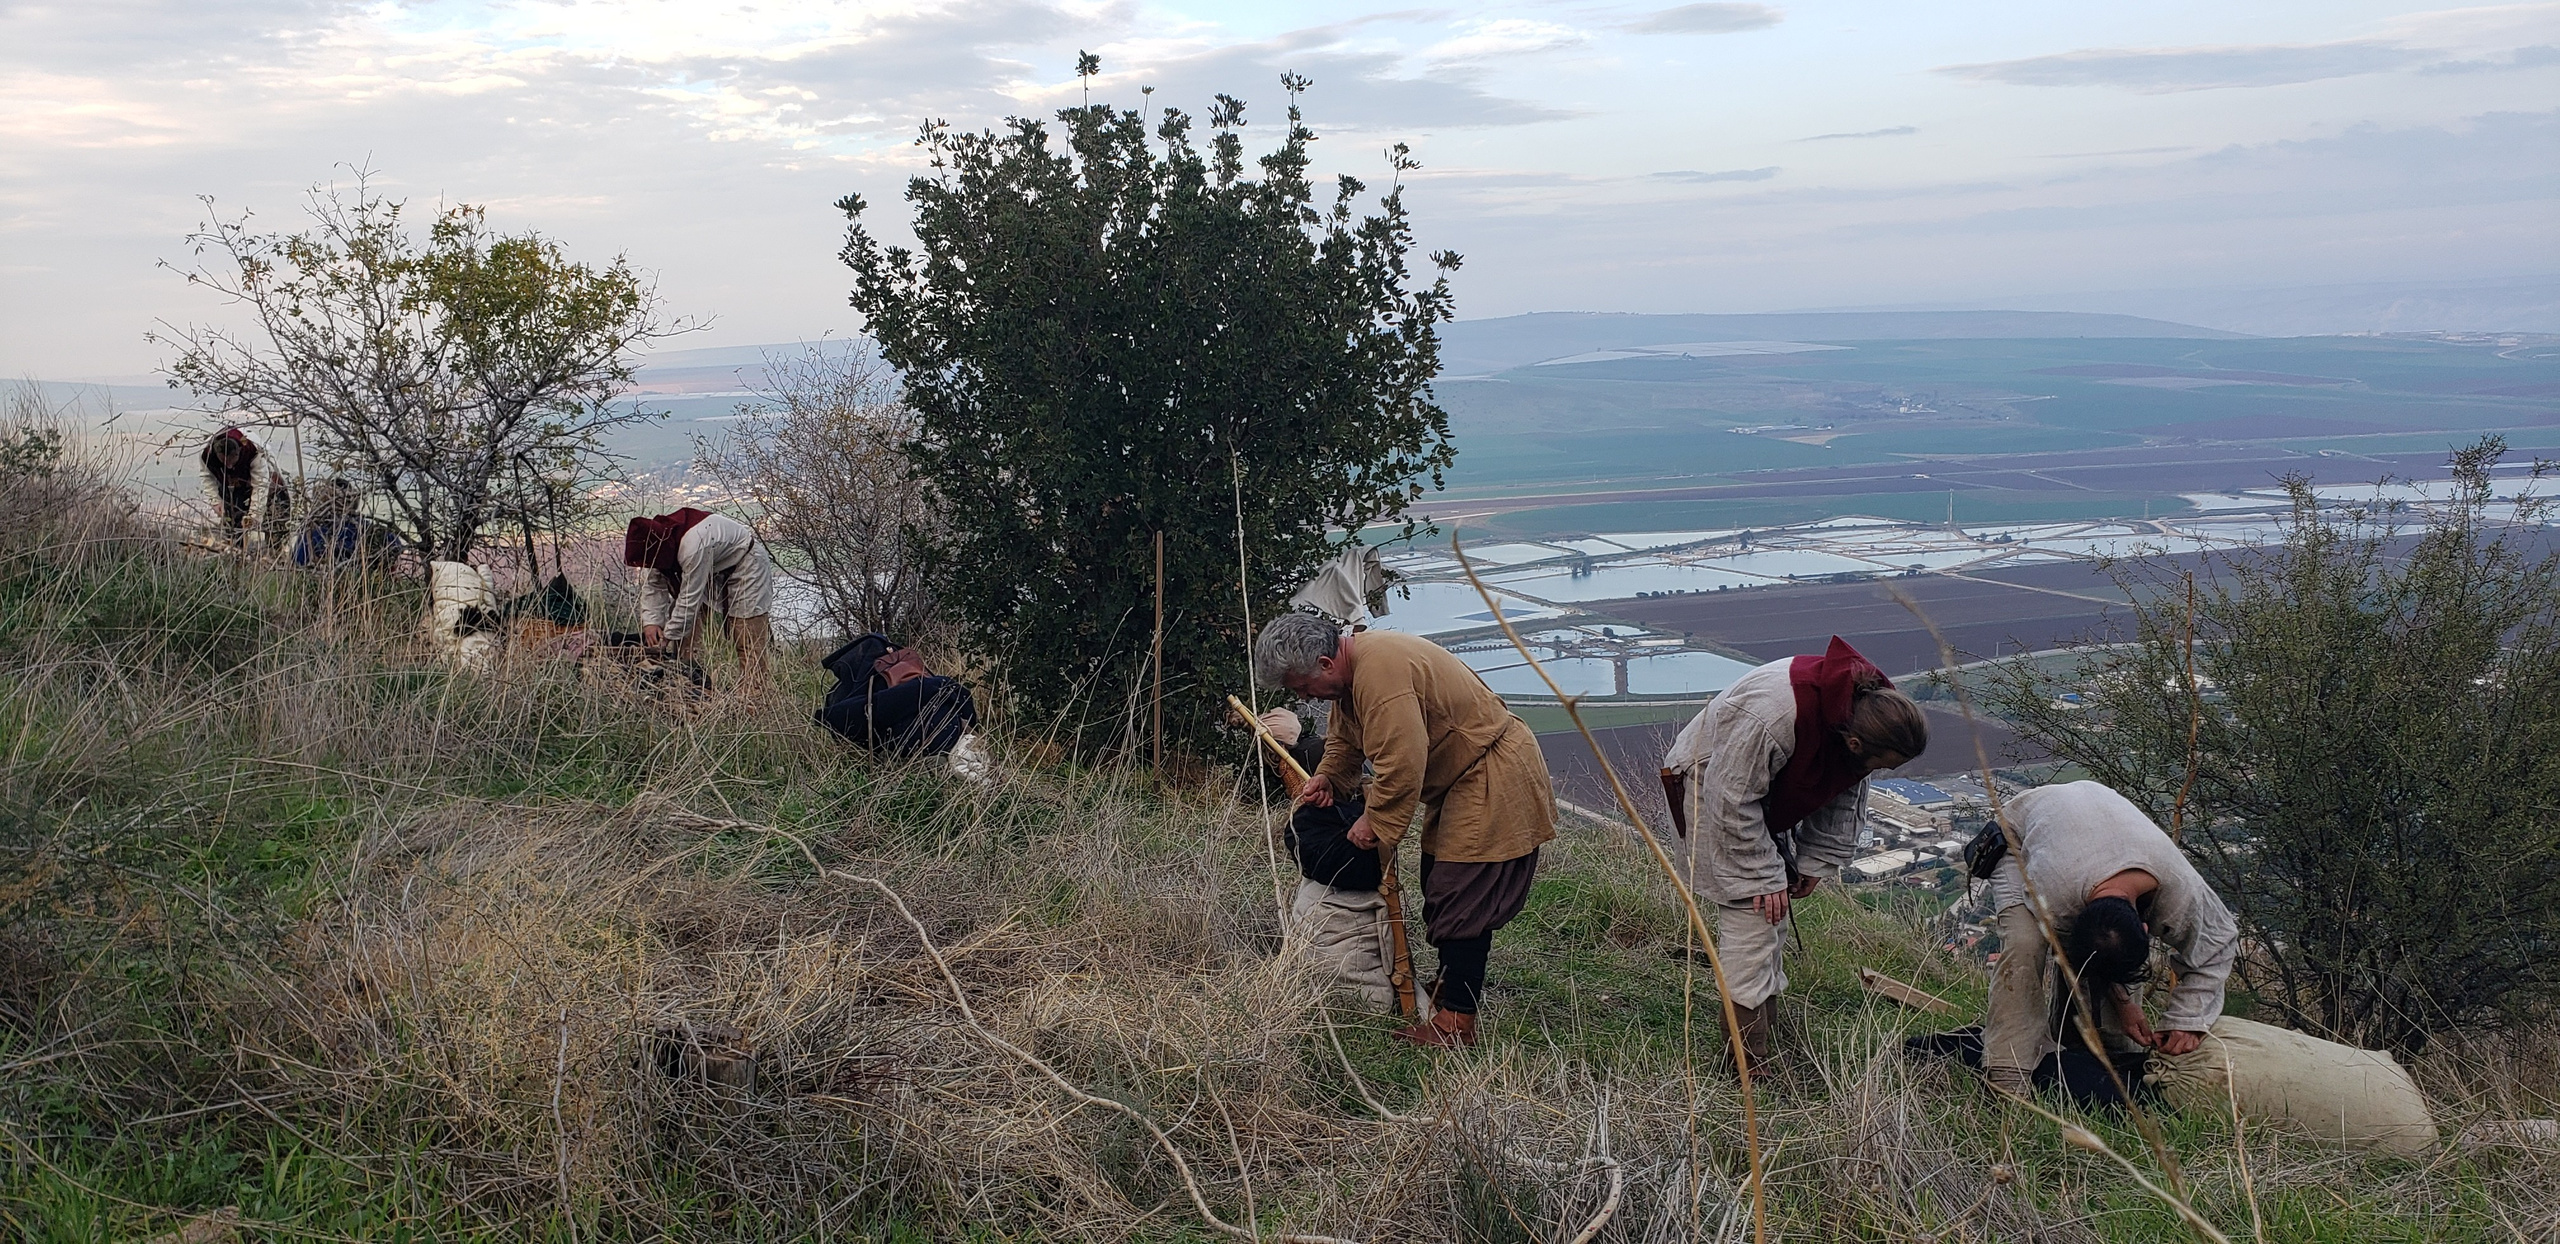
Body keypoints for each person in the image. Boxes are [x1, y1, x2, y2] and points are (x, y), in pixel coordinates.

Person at [1254, 610, 1555, 1049]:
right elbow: (1344, 741)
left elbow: (1403, 760)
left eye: (1302, 686)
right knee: (1440, 882)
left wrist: (1375, 820)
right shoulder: (1354, 675)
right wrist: (1329, 778)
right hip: (1462, 779)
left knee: (1460, 891)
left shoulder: (1380, 673)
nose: (1304, 696)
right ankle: (1451, 988)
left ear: (1325, 663)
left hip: (1492, 771)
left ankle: (1456, 1024)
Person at [1659, 636, 1928, 1072]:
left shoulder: (1860, 716)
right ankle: (1747, 1065)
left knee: (1773, 916)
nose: (1877, 772)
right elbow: (1731, 798)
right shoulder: (1774, 715)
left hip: (1754, 788)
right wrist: (1760, 875)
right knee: (1753, 917)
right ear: (1855, 744)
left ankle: (1764, 1031)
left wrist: (1814, 860)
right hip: (1708, 782)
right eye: (1880, 764)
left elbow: (1846, 783)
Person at [1976, 780, 2239, 1098]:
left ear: (2146, 927)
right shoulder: (2055, 896)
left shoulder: (2183, 894)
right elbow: (2078, 953)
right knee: (2025, 945)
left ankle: (2103, 1056)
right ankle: (2007, 1069)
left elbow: (2219, 943)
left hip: (2095, 822)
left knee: (2113, 958)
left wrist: (2187, 1019)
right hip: (2019, 833)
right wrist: (2124, 1003)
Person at [624, 508, 775, 683]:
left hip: (746, 565)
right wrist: (651, 622)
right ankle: (687, 678)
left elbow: (689, 599)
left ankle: (753, 690)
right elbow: (653, 584)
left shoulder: (693, 545)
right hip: (713, 568)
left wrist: (667, 637)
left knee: (746, 635)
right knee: (685, 631)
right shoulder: (656, 545)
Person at [198, 425, 290, 549]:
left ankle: (275, 549)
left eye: (232, 459)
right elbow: (207, 476)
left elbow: (261, 485)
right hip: (231, 487)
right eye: (224, 460)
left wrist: (254, 516)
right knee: (233, 523)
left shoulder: (254, 451)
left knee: (275, 519)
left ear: (239, 451)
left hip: (266, 484)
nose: (229, 465)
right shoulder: (207, 454)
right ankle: (237, 551)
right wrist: (215, 501)